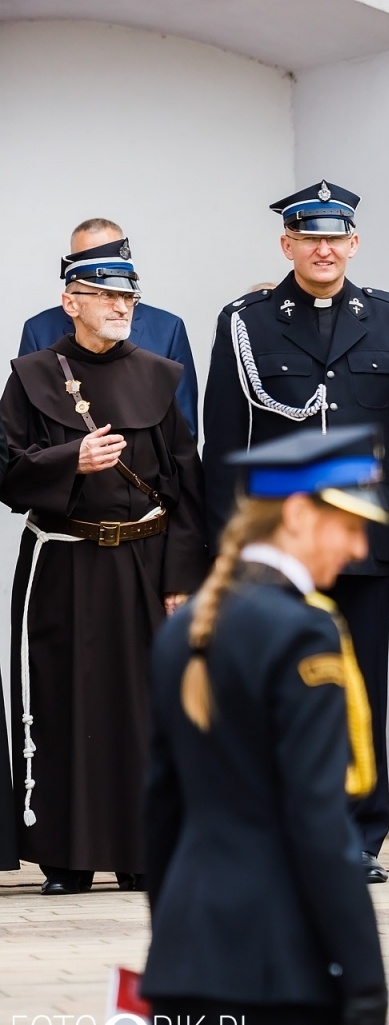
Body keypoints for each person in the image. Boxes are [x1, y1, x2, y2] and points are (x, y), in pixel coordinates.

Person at [200, 180, 389, 884]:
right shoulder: (247, 321)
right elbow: (224, 440)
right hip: (280, 543)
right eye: (310, 237)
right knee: (281, 684)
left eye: (336, 237)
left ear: (355, 244)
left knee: (359, 683)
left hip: (365, 540)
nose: (324, 248)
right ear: (288, 245)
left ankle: (359, 836)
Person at [143, 425, 388, 1025]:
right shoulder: (302, 633)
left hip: (184, 964)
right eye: (351, 524)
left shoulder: (185, 630)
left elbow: (159, 814)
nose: (361, 545)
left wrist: (172, 941)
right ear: (301, 514)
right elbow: (315, 817)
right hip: (277, 971)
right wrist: (364, 971)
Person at [2, 240, 207, 892]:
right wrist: (71, 462)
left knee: (144, 709)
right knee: (64, 707)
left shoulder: (158, 373)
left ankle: (143, 852)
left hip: (146, 567)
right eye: (106, 296)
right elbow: (6, 473)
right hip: (63, 564)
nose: (122, 306)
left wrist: (180, 580)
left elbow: (186, 489)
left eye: (128, 296)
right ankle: (66, 859)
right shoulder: (33, 374)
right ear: (72, 303)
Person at [18, 219, 200, 433]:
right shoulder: (39, 330)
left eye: (108, 253)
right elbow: (26, 429)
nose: (100, 264)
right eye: (88, 257)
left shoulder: (168, 329)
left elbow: (184, 430)